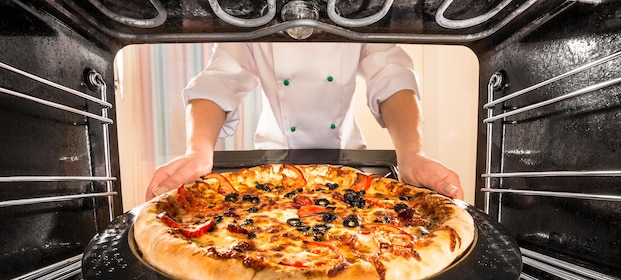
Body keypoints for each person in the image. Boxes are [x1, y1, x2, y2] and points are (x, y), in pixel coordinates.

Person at [145, 43, 464, 201]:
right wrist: (197, 151)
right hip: (273, 166)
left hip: (350, 164)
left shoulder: (361, 8)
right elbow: (220, 79)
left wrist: (411, 154)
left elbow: (391, 75)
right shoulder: (252, 9)